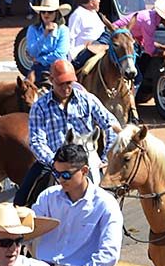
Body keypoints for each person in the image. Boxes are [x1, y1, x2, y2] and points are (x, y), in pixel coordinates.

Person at [18, 60, 119, 207]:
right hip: (53, 160)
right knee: (23, 198)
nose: (66, 87)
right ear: (51, 80)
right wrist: (54, 162)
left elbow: (111, 124)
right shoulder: (39, 107)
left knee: (110, 199)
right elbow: (36, 140)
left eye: (69, 83)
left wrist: (106, 157)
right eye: (61, 83)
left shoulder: (87, 100)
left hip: (88, 158)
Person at [31, 143, 122, 266]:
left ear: (85, 171)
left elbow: (110, 253)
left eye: (66, 175)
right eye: (56, 174)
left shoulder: (106, 204)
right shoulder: (47, 196)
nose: (60, 179)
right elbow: (28, 231)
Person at [113, 0, 165, 77]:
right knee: (136, 77)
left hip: (128, 39)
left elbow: (145, 41)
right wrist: (164, 53)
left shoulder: (151, 17)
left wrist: (161, 46)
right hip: (116, 37)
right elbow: (150, 50)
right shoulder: (149, 23)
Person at [26, 0, 71, 85]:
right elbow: (32, 52)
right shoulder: (33, 29)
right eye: (43, 11)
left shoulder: (63, 30)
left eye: (50, 12)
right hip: (38, 69)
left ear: (56, 13)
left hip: (59, 69)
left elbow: (60, 54)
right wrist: (44, 35)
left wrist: (40, 59)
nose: (46, 14)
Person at [67, 0, 108, 70]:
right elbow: (71, 37)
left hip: (101, 47)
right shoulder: (78, 15)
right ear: (92, 2)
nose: (99, 1)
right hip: (85, 52)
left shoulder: (94, 12)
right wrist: (70, 59)